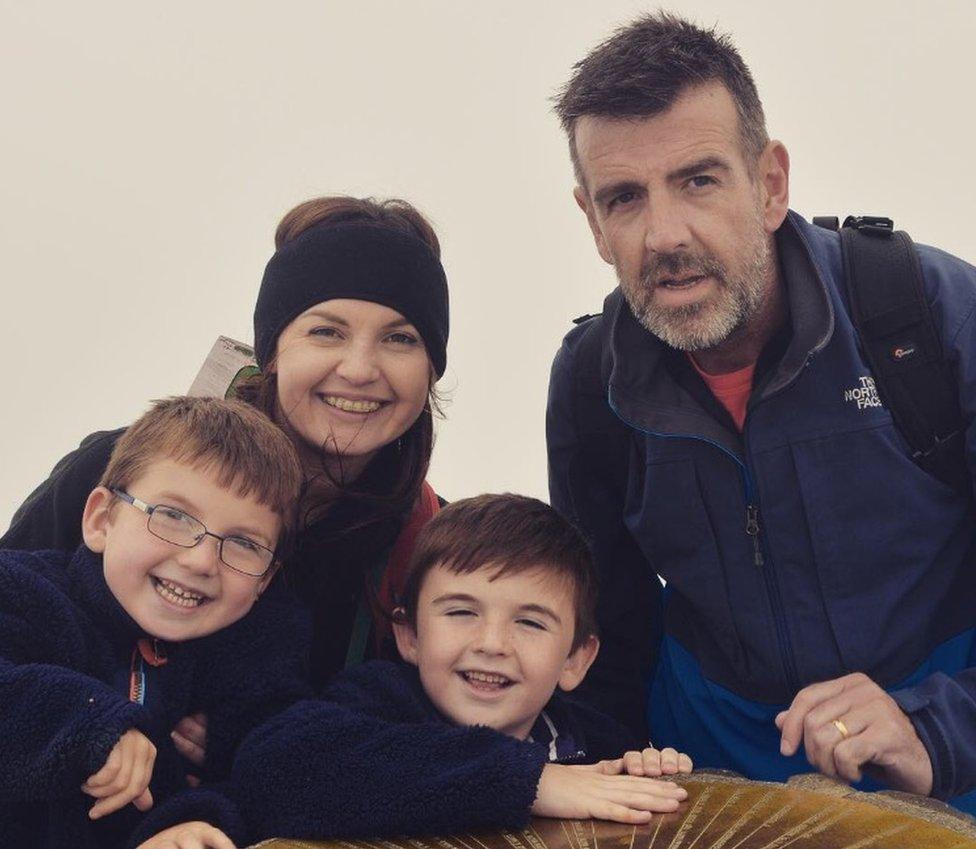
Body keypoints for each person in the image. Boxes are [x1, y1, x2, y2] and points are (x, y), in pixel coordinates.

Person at [546, 12, 976, 810]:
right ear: (593, 223)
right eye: (625, 198)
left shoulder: (930, 317)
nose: (665, 234)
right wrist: (607, 773)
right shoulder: (588, 381)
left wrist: (938, 728)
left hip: (950, 756)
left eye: (698, 179)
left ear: (771, 183)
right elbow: (608, 633)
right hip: (707, 776)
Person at [2, 196, 450, 761]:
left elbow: (415, 728)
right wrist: (105, 722)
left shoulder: (429, 546)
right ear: (273, 351)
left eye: (400, 338)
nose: (360, 369)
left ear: (431, 368)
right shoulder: (121, 475)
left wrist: (249, 743)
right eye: (326, 332)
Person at [229, 494, 692, 841]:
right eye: (461, 612)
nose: (492, 644)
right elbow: (273, 767)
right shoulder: (376, 701)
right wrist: (526, 780)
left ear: (575, 660)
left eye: (530, 622)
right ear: (408, 636)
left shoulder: (596, 744)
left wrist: (651, 777)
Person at [0, 396, 313, 849]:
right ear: (101, 520)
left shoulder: (244, 665)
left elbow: (265, 774)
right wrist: (85, 718)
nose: (202, 560)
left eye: (244, 543)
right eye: (173, 517)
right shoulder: (24, 591)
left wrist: (191, 823)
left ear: (266, 580)